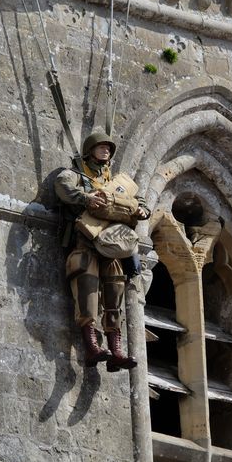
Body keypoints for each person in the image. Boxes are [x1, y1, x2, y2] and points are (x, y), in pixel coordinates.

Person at [55, 131, 150, 371]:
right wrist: (85, 198)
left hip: (113, 246)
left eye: (108, 147)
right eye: (101, 147)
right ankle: (92, 348)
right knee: (86, 292)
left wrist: (142, 212)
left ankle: (116, 351)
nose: (106, 150)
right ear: (90, 151)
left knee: (114, 294)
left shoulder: (117, 183)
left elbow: (141, 203)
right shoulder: (77, 175)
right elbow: (62, 186)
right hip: (87, 243)